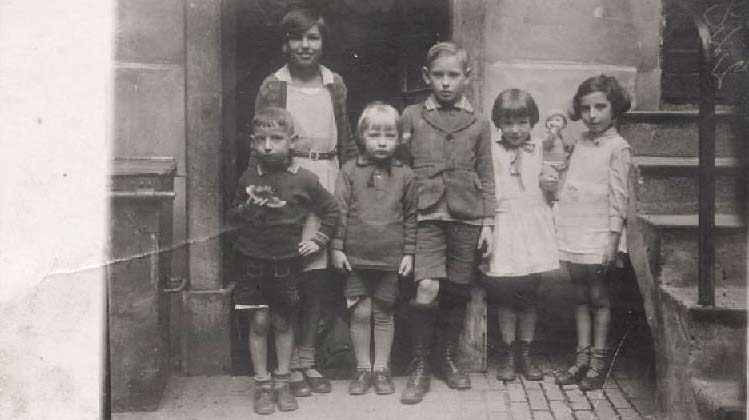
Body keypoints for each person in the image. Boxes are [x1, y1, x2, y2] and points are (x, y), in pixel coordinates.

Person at [255, 7, 357, 396]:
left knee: (317, 275)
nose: (304, 45)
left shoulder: (335, 83)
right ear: (285, 44)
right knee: (289, 272)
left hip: (327, 178)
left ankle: (307, 358)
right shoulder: (273, 86)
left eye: (312, 38)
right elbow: (262, 138)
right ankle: (286, 366)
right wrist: (261, 192)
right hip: (287, 184)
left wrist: (349, 183)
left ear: (322, 43)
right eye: (296, 38)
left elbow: (345, 137)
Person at [397, 41, 495, 405]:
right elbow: (402, 170)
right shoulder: (411, 116)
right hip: (425, 215)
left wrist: (488, 222)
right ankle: (420, 364)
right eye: (438, 75)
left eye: (454, 75)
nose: (446, 82)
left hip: (466, 215)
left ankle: (446, 356)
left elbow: (487, 173)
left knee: (456, 289)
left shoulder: (479, 122)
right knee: (427, 287)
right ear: (426, 77)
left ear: (467, 78)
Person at [228, 107, 340, 414]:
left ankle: (283, 381)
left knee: (282, 321)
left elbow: (332, 210)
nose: (268, 146)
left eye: (276, 138)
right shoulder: (249, 176)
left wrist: (318, 240)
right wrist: (245, 210)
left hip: (286, 265)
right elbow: (233, 214)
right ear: (253, 142)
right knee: (259, 321)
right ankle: (262, 385)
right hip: (252, 263)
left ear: (292, 141)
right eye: (261, 139)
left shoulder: (304, 179)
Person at [331, 102, 418, 396]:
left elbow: (411, 216)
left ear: (399, 139)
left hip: (390, 258)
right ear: (361, 136)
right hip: (355, 258)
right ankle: (362, 369)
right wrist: (337, 248)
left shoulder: (405, 175)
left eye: (389, 135)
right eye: (375, 135)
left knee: (383, 312)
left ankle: (381, 369)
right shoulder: (349, 171)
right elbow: (340, 211)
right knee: (360, 313)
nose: (382, 142)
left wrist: (408, 252)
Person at [553, 75, 631, 391]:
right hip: (575, 228)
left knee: (598, 295)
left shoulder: (618, 147)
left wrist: (613, 238)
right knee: (580, 295)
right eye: (586, 108)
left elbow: (619, 196)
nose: (593, 114)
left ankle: (598, 363)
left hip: (599, 232)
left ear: (615, 109)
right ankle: (581, 359)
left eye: (600, 107)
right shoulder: (581, 143)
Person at [482, 89, 560, 382]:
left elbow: (554, 181)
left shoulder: (539, 148)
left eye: (523, 122)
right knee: (505, 295)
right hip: (505, 225)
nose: (515, 130)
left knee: (529, 295)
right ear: (498, 123)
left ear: (533, 122)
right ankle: (507, 353)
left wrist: (550, 182)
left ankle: (525, 353)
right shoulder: (490, 150)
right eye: (508, 123)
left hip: (533, 224)